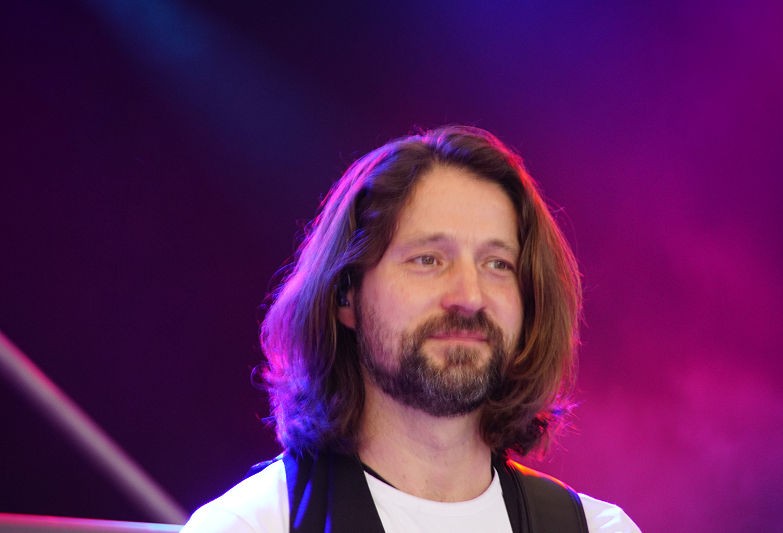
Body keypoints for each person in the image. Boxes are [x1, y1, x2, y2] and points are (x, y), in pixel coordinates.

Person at [183, 126, 640, 532]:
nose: (469, 296)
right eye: (428, 260)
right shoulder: (251, 525)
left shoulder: (598, 529)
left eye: (497, 264)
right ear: (346, 295)